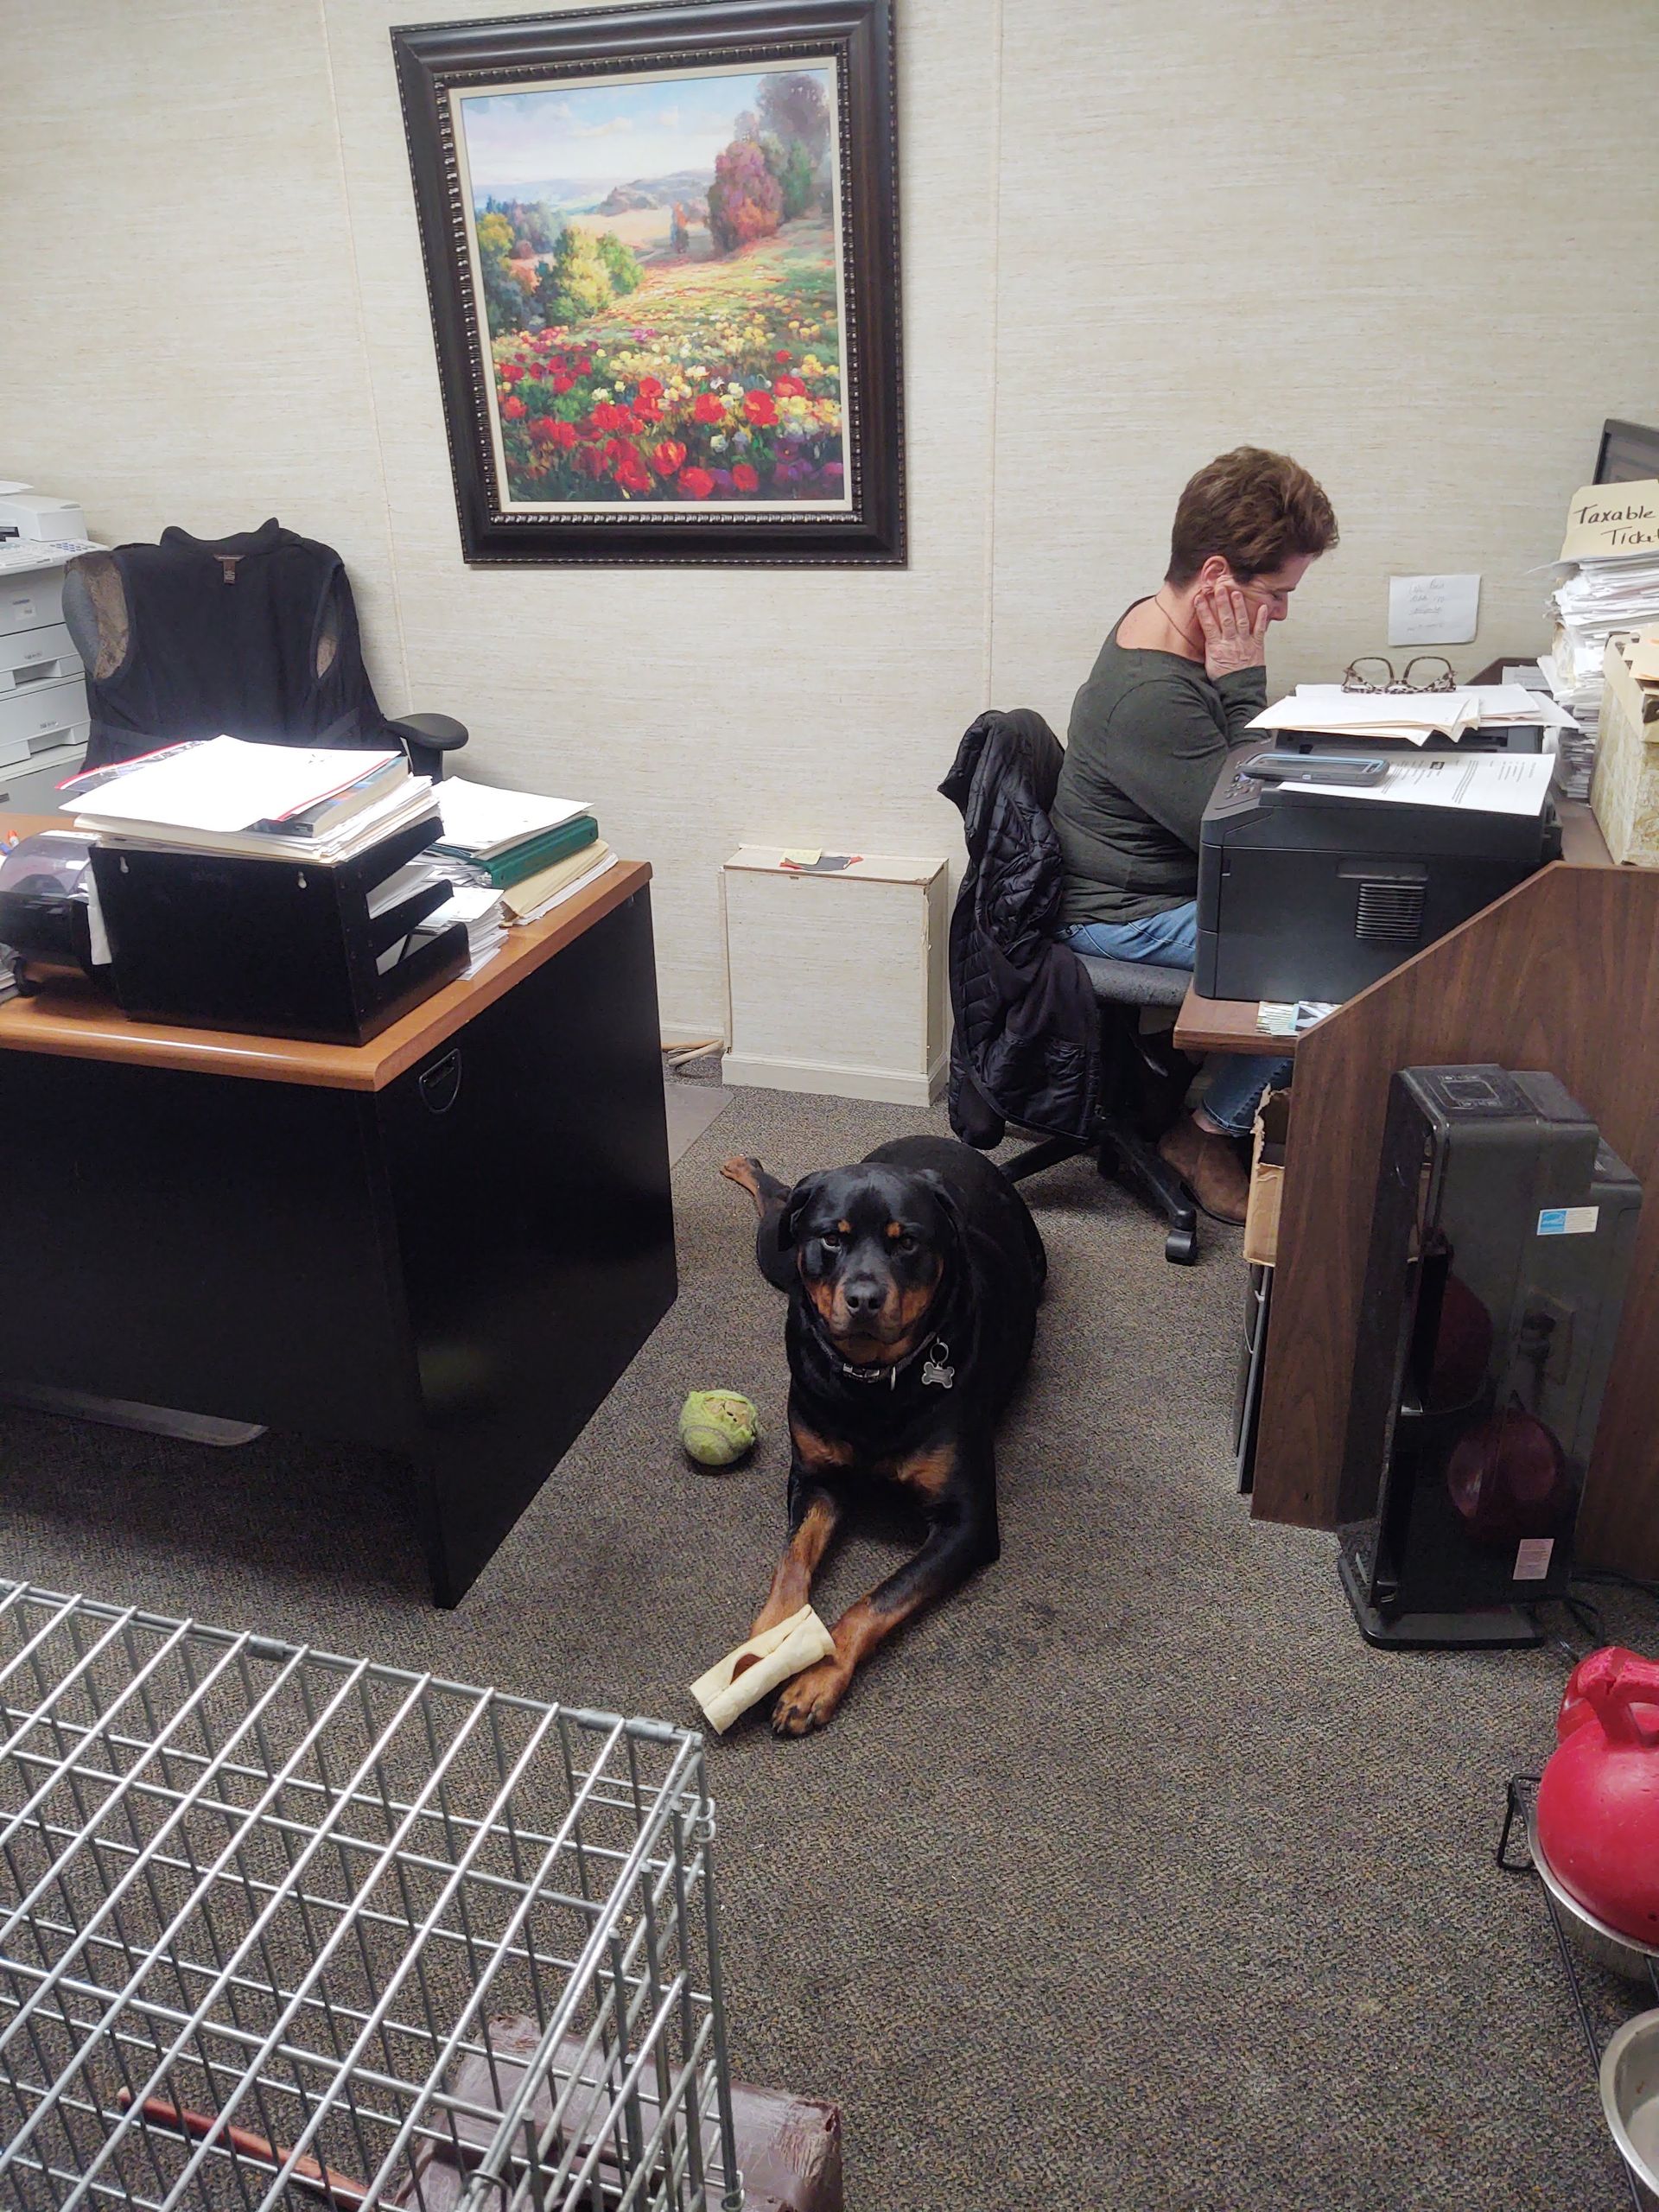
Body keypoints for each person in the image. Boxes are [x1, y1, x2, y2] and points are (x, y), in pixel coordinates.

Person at [1051, 447, 1338, 1224]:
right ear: (1217, 578)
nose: (1281, 613)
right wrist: (1245, 678)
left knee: (1340, 912)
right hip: (1120, 912)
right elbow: (1241, 828)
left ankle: (1230, 1100)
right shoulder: (1152, 693)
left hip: (1166, 877)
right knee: (1329, 969)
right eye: (1276, 594)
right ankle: (1206, 1133)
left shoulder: (1163, 620)